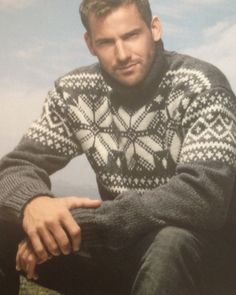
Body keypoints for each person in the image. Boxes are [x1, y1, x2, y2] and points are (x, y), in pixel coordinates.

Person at [0, 0, 236, 294]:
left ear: (155, 28)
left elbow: (203, 195)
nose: (123, 54)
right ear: (89, 43)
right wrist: (33, 204)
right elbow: (15, 167)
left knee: (171, 242)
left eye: (131, 35)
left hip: (200, 259)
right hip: (119, 250)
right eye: (107, 42)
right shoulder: (74, 93)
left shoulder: (202, 86)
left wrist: (81, 228)